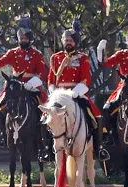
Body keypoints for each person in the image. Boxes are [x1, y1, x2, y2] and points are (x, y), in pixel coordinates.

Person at [48, 19, 109, 163]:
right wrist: (53, 92)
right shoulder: (55, 58)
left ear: (75, 42)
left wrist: (73, 93)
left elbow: (85, 80)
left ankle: (99, 148)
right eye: (66, 40)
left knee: (96, 116)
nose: (68, 42)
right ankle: (45, 149)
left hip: (76, 94)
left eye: (71, 40)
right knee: (46, 118)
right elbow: (51, 79)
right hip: (59, 96)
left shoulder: (83, 58)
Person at [0, 16, 49, 150]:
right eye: (21, 38)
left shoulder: (36, 54)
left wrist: (31, 83)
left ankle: (44, 138)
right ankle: (3, 135)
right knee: (0, 105)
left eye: (25, 38)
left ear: (30, 39)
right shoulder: (13, 53)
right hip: (15, 84)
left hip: (30, 84)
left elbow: (42, 74)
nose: (23, 41)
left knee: (44, 106)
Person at [98, 38, 128, 146]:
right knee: (106, 109)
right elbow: (105, 63)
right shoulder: (121, 54)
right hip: (123, 86)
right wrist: (100, 51)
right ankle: (110, 134)